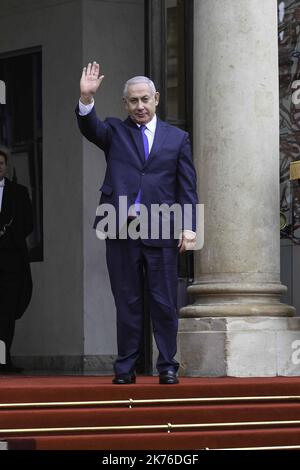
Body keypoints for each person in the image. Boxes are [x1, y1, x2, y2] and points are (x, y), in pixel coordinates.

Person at [76, 62, 198, 384]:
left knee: (163, 301)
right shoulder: (115, 131)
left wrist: (190, 227)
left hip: (161, 227)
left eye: (145, 99)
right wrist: (86, 99)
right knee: (127, 301)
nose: (140, 106)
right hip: (121, 226)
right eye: (133, 101)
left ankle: (168, 365)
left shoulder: (178, 138)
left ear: (156, 98)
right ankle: (125, 367)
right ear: (125, 104)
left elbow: (187, 186)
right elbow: (91, 128)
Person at [0, 149, 33, 374]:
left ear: (6, 166)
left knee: (7, 311)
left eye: (1, 163)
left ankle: (3, 358)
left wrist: (7, 233)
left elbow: (28, 223)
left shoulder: (19, 192)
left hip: (11, 259)